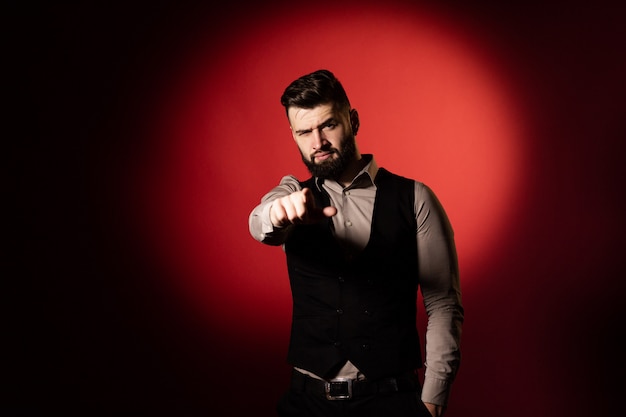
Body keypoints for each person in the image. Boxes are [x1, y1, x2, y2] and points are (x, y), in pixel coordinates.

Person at [248, 69, 463, 417]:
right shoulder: (291, 192)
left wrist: (434, 398)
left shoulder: (415, 198)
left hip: (390, 402)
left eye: (328, 125)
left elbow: (443, 304)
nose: (317, 142)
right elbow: (260, 224)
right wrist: (277, 213)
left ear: (353, 120)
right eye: (304, 132)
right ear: (293, 135)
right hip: (306, 404)